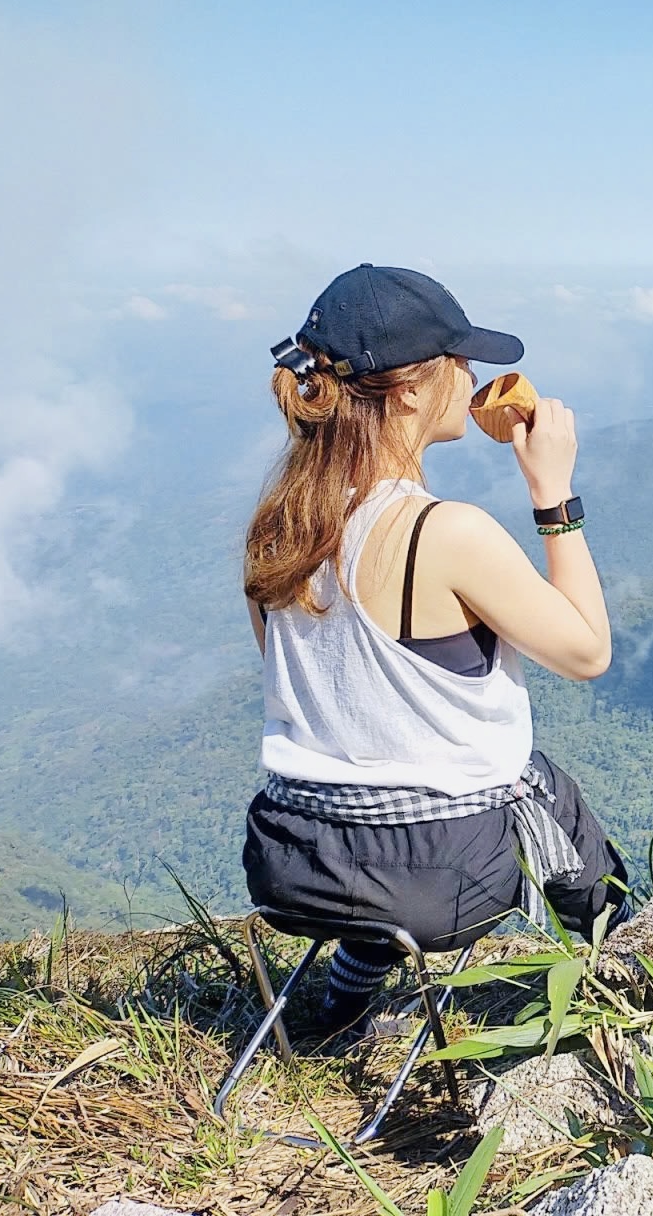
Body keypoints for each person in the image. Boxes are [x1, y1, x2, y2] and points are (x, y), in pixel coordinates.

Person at [240, 263, 625, 1041]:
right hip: (437, 883)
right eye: (459, 359)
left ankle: (342, 1002)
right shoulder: (442, 532)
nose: (473, 376)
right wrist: (554, 496)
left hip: (291, 860)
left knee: (390, 786)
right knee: (543, 791)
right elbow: (587, 652)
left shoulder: (279, 526)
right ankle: (639, 967)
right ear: (412, 388)